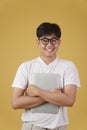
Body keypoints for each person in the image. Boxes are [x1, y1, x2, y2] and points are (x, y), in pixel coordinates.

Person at [11, 22, 80, 130]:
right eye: (44, 40)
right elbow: (16, 103)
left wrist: (38, 92)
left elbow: (69, 100)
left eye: (54, 40)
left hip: (58, 127)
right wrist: (53, 95)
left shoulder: (68, 66)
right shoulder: (26, 67)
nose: (49, 45)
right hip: (31, 127)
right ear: (37, 42)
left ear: (59, 42)